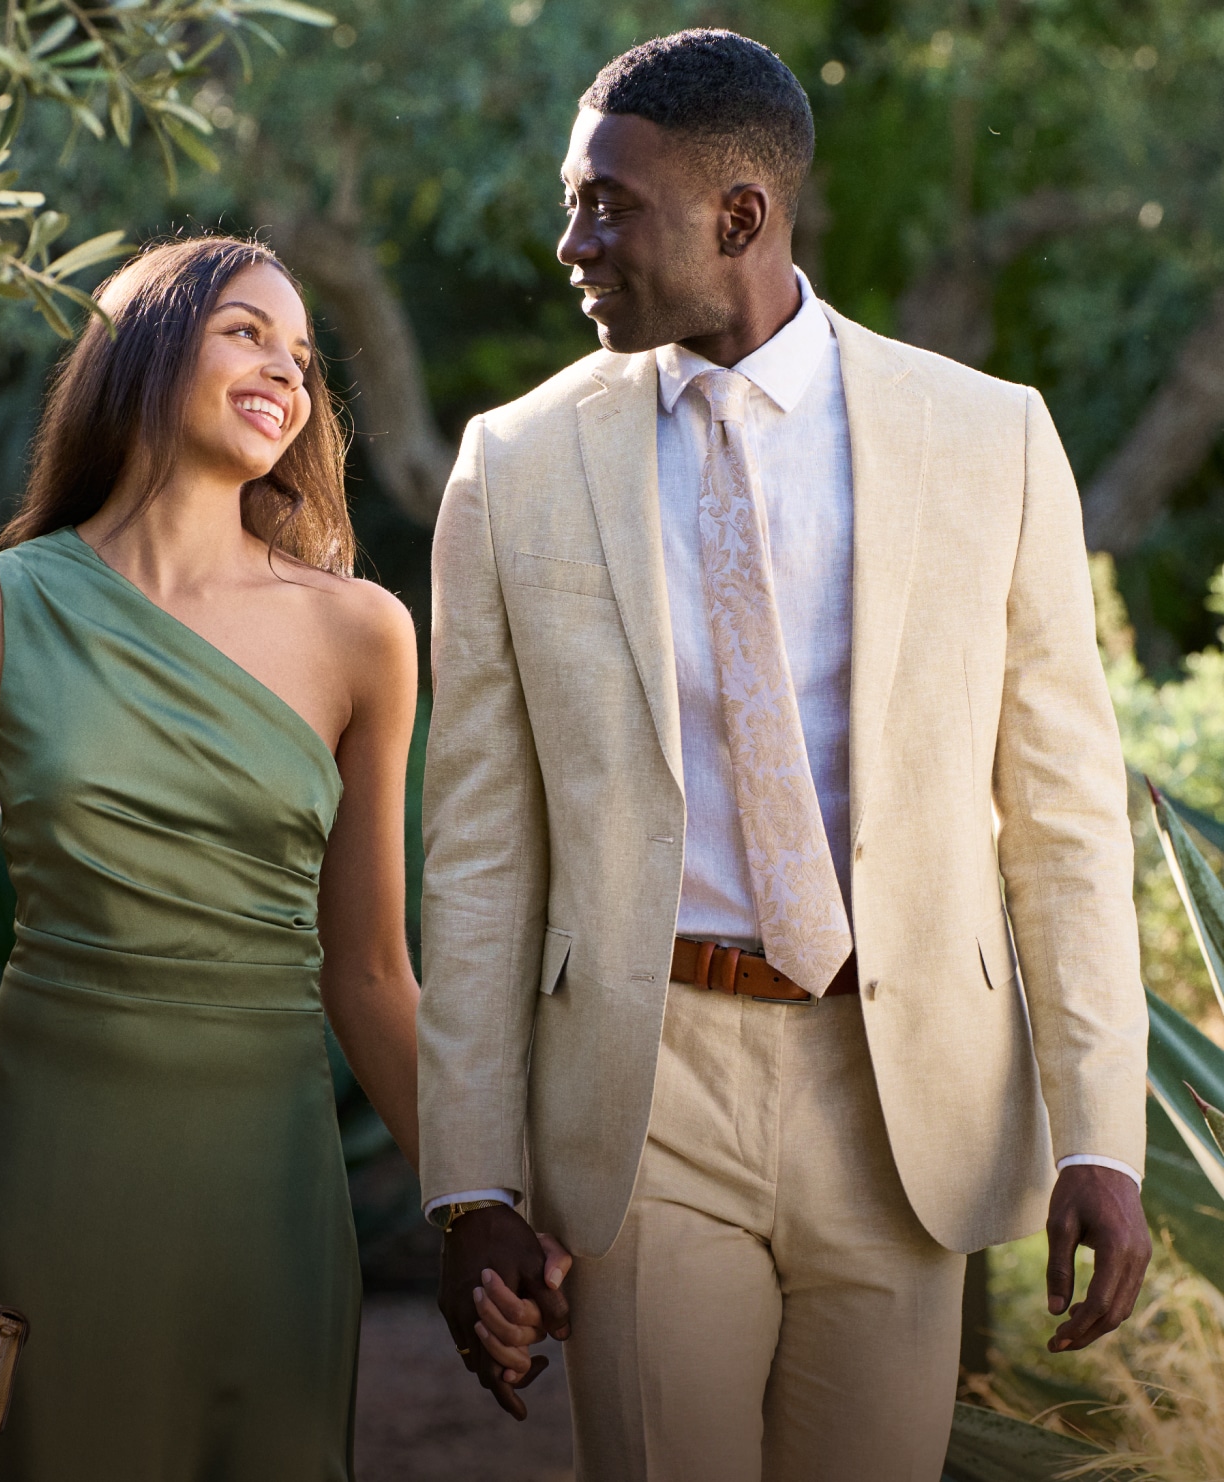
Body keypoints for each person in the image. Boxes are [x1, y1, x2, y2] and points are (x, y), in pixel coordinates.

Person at [419, 31, 1152, 1481]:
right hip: (649, 1087)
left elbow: (1064, 817)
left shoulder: (990, 439)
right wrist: (473, 1183)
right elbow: (480, 845)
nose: (574, 242)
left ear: (739, 216)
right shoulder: (513, 466)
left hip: (900, 1092)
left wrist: (1102, 1136)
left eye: (608, 205)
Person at [0, 234, 445, 1480]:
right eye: (245, 330)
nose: (287, 368)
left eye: (305, 354)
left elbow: (374, 976)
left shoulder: (365, 635)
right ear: (142, 347)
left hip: (264, 1192)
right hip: (40, 1171)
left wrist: (480, 1214)